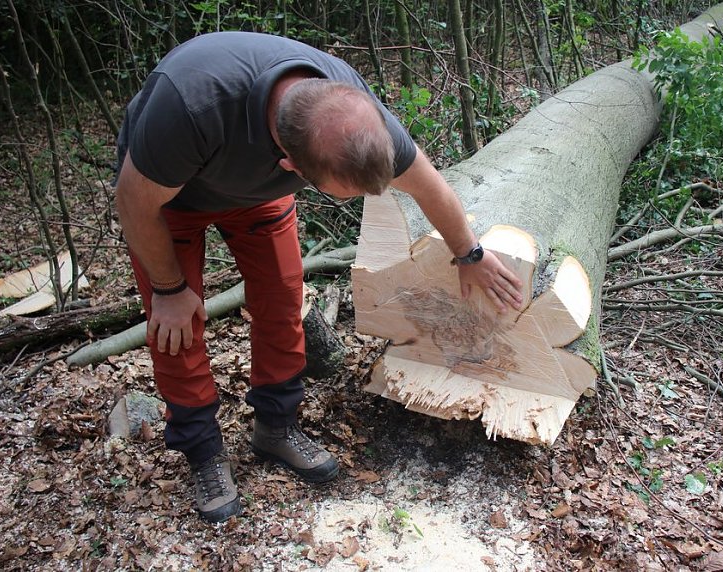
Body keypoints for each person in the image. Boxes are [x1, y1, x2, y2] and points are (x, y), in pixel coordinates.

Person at [115, 31, 523, 523]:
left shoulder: (354, 115)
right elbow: (133, 204)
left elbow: (428, 185)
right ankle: (203, 452)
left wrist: (469, 253)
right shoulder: (191, 106)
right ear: (288, 164)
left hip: (256, 197)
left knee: (284, 301)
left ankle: (276, 428)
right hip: (167, 201)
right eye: (341, 193)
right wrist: (169, 288)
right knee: (176, 326)